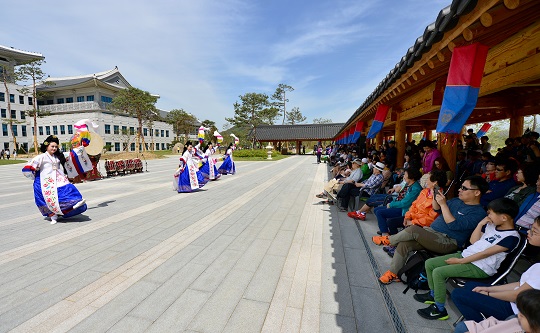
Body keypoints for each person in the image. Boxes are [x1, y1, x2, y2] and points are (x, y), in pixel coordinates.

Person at [414, 198, 520, 320]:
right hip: (467, 256)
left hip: (480, 267)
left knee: (439, 272)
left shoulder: (512, 237)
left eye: (490, 213)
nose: (488, 216)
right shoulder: (492, 226)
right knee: (430, 263)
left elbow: (485, 254)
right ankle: (433, 295)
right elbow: (473, 241)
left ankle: (439, 309)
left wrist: (459, 261)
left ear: (504, 217)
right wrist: (480, 224)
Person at [378, 176, 489, 285]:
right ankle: (394, 273)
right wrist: (436, 197)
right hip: (431, 234)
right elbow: (437, 209)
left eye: (464, 188)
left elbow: (454, 225)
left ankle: (388, 240)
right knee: (404, 244)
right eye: (461, 187)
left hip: (448, 242)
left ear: (477, 193)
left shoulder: (478, 212)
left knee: (414, 230)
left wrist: (444, 204)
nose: (460, 190)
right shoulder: (456, 201)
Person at [452, 215, 540, 331]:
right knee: (470, 286)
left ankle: (487, 327)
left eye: (535, 231)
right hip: (516, 303)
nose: (528, 232)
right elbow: (521, 284)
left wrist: (488, 294)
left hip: (516, 310)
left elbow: (517, 295)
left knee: (458, 294)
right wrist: (490, 289)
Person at [380, 170, 448, 256]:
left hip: (422, 224)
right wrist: (407, 217)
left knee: (408, 229)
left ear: (435, 182)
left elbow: (430, 219)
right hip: (412, 218)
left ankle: (395, 244)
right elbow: (414, 205)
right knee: (391, 222)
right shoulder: (425, 191)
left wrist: (412, 222)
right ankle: (395, 244)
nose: (426, 181)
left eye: (428, 179)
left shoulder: (439, 199)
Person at [22, 135, 87, 224]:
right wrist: (35, 172)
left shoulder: (58, 156)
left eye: (56, 147)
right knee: (48, 198)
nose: (54, 148)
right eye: (52, 146)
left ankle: (73, 203)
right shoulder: (41, 157)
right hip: (46, 180)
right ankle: (53, 216)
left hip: (58, 178)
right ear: (46, 146)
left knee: (68, 188)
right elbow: (29, 167)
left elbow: (72, 155)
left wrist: (82, 146)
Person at [371, 167, 422, 240]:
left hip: (404, 210)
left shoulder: (416, 189)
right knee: (376, 210)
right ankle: (385, 230)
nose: (404, 176)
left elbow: (405, 203)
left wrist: (391, 204)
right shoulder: (409, 184)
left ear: (411, 177)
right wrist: (392, 203)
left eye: (405, 174)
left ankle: (385, 235)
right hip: (399, 206)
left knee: (380, 212)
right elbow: (400, 197)